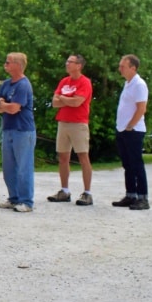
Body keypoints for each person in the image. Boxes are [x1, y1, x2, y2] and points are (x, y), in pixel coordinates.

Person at [49, 54, 94, 206]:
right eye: (67, 61)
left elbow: (77, 102)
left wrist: (63, 99)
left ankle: (87, 193)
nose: (67, 64)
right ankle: (64, 190)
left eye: (70, 62)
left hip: (78, 123)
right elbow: (54, 102)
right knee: (63, 157)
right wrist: (66, 100)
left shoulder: (84, 82)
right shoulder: (64, 81)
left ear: (79, 65)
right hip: (63, 122)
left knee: (83, 157)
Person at [0, 51, 36, 213]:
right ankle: (13, 198)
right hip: (9, 129)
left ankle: (26, 201)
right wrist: (4, 105)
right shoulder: (6, 84)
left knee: (23, 167)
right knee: (9, 167)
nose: (5, 64)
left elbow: (13, 108)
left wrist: (4, 104)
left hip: (23, 130)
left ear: (18, 65)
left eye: (8, 62)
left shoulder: (23, 85)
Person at [113, 54, 150, 210]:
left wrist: (130, 125)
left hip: (133, 130)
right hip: (123, 129)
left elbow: (141, 108)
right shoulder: (128, 84)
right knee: (127, 164)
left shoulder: (139, 84)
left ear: (133, 68)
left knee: (136, 164)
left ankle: (143, 197)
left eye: (123, 66)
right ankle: (131, 194)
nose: (120, 69)